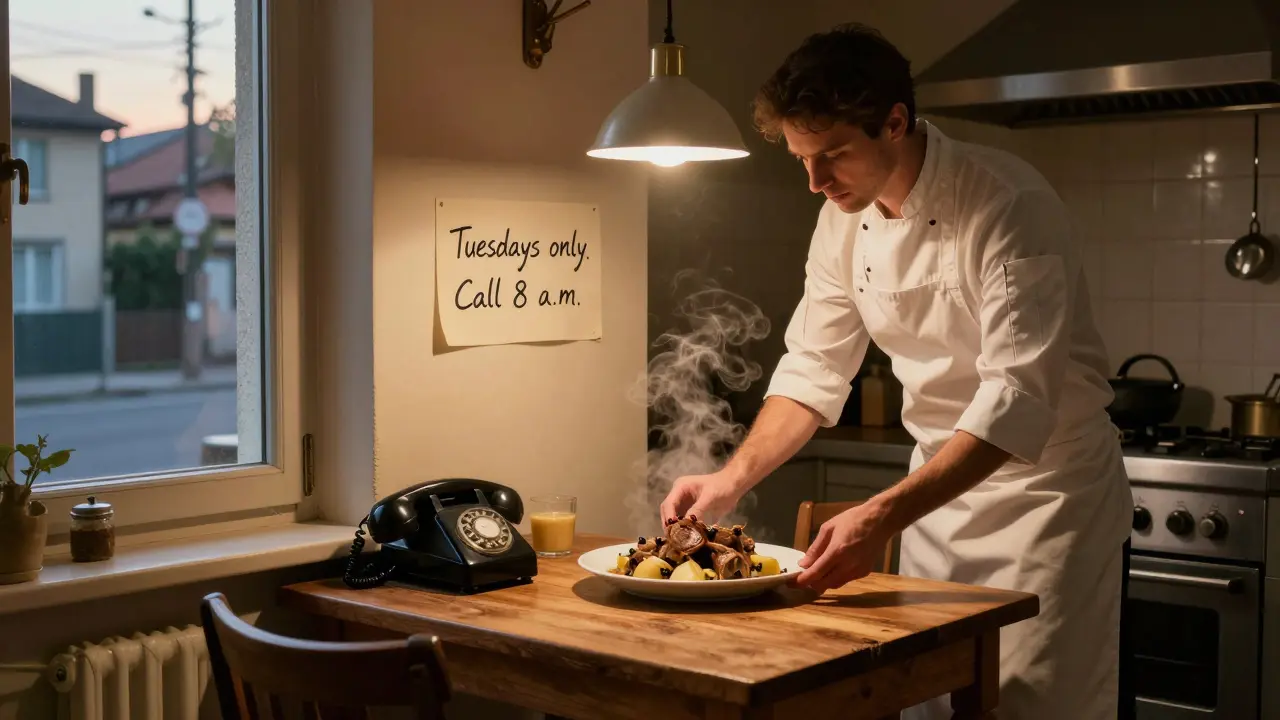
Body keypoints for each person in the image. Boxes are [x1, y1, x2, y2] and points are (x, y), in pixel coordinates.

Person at [658, 23, 1134, 720]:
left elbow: (1016, 397)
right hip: (938, 503)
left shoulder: (1008, 202)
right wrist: (731, 480)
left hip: (1046, 506)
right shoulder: (840, 219)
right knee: (931, 703)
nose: (816, 181)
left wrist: (880, 514)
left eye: (833, 156)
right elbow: (814, 366)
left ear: (895, 122)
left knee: (1030, 705)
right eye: (801, 160)